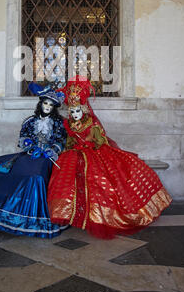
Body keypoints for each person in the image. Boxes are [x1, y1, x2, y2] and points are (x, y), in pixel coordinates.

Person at [47, 76, 172, 239]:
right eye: (72, 111)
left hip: (93, 154)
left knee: (99, 181)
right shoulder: (69, 125)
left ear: (83, 109)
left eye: (77, 110)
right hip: (73, 155)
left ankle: (96, 216)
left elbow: (100, 140)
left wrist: (91, 145)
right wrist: (68, 148)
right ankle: (71, 215)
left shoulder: (91, 124)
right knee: (64, 178)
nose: (75, 114)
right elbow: (70, 141)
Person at [0, 83, 68, 238]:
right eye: (45, 103)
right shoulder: (30, 121)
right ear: (40, 103)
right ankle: (7, 212)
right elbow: (23, 137)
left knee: (35, 178)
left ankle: (32, 217)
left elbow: (61, 140)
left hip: (46, 158)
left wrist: (51, 150)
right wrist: (29, 146)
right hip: (29, 155)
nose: (47, 107)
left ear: (54, 107)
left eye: (51, 105)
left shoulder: (58, 123)